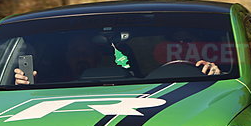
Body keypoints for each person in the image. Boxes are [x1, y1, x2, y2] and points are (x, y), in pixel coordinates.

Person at [13, 34, 220, 85]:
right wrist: (23, 85)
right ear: (66, 57)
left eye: (86, 51)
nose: (81, 56)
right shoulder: (47, 86)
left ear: (99, 57)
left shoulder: (151, 87)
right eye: (75, 51)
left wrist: (214, 76)